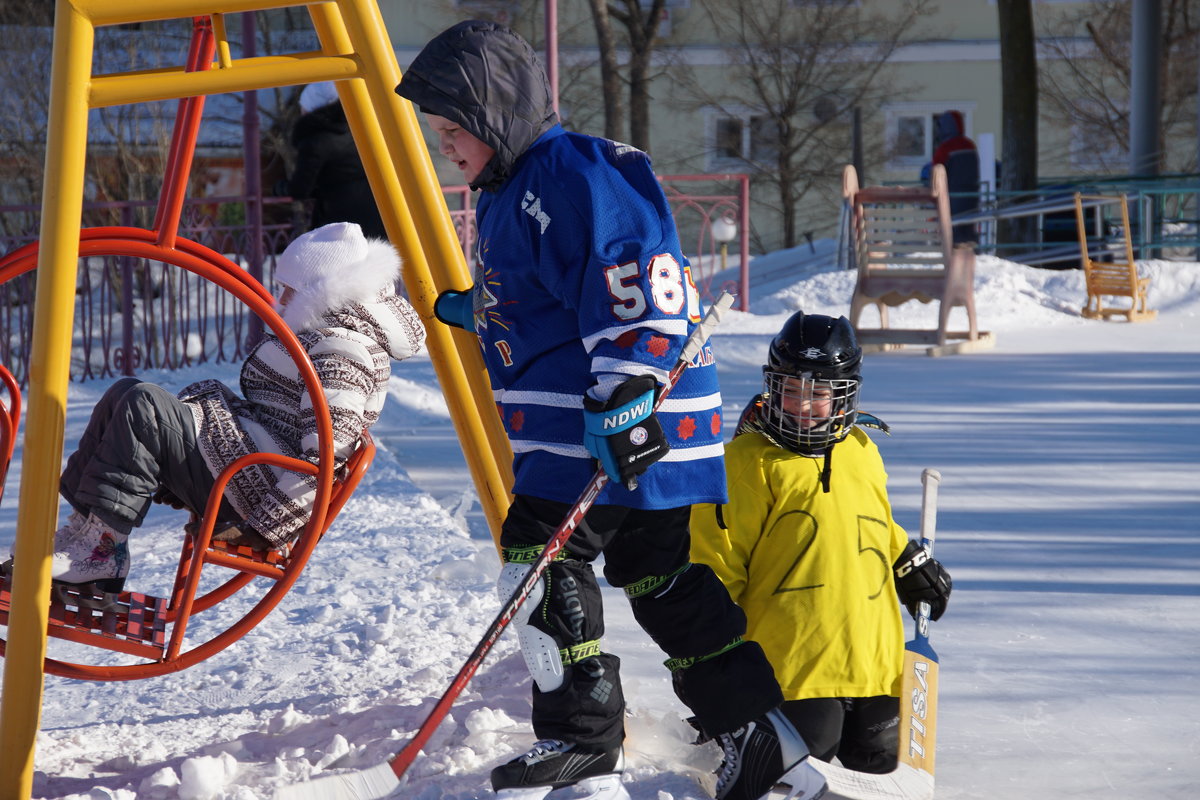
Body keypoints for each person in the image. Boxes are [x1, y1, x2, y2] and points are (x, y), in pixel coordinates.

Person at [395, 20, 826, 800]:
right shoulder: (510, 190)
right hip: (598, 424)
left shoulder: (569, 172)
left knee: (540, 555)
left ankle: (582, 739)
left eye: (455, 130)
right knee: (655, 571)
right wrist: (484, 310)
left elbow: (639, 278)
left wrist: (626, 390)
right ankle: (760, 737)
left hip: (617, 419)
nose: (446, 148)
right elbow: (549, 292)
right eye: (439, 133)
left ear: (494, 116)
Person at [2, 222, 424, 597]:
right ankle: (84, 533)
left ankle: (101, 551)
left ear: (319, 290)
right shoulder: (328, 335)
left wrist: (267, 526)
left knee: (144, 405)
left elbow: (328, 451)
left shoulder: (341, 348)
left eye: (290, 289)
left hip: (252, 491)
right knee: (127, 392)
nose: (280, 297)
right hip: (243, 468)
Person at [690, 311, 952, 774]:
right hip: (792, 673)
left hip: (876, 667)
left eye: (819, 393)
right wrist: (712, 665)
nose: (801, 405)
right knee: (802, 770)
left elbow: (872, 523)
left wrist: (907, 558)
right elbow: (715, 564)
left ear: (845, 393)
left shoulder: (863, 452)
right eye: (791, 389)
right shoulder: (745, 463)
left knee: (882, 770)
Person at [276, 82, 388, 240]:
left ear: (312, 108)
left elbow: (300, 189)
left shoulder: (315, 141)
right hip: (378, 216)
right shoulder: (362, 131)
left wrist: (281, 188)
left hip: (340, 222)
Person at [930, 110, 980, 245]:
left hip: (951, 194)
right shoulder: (970, 145)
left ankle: (951, 255)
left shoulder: (944, 148)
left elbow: (935, 171)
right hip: (972, 193)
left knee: (952, 228)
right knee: (968, 227)